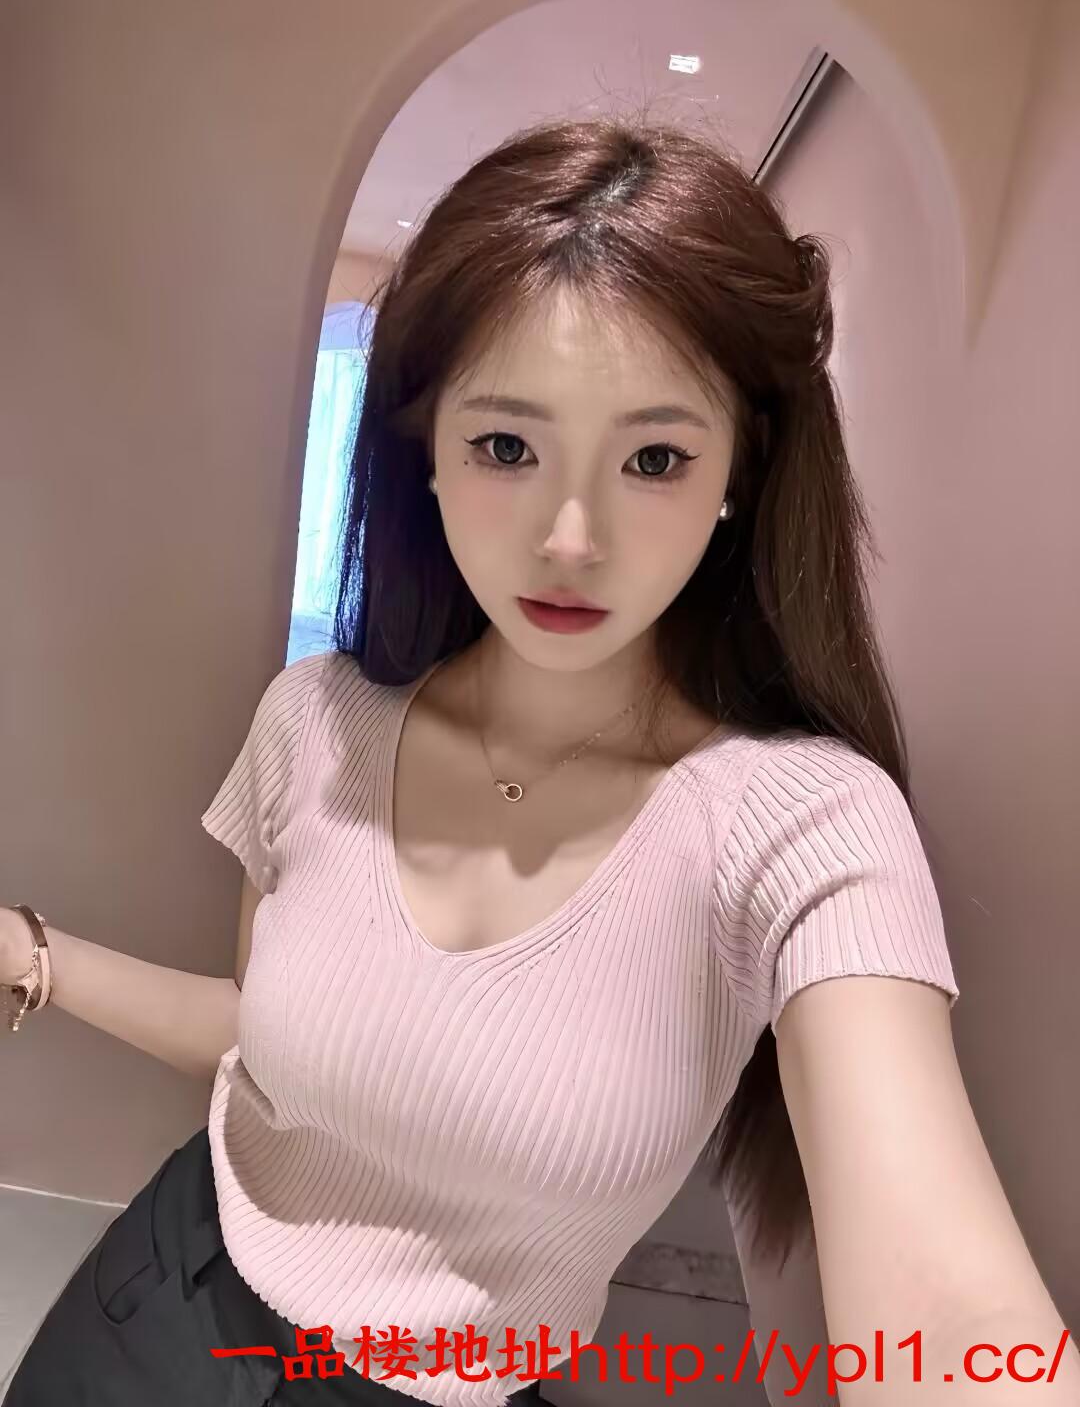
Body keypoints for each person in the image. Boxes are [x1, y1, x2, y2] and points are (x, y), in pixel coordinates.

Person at [3, 113, 1077, 1407]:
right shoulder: (317, 722)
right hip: (164, 1294)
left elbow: (956, 1322)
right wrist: (38, 958)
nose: (572, 538)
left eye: (655, 458)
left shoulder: (803, 828)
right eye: (506, 446)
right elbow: (267, 1042)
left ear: (741, 471)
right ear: (427, 452)